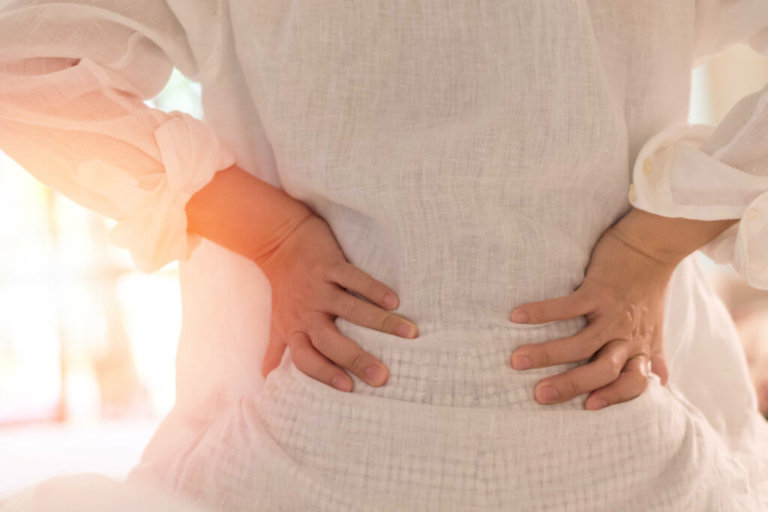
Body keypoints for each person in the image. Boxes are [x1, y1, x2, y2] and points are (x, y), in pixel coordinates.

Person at [1, 1, 768, 510]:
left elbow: (18, 60)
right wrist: (655, 240)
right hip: (627, 438)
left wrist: (272, 233)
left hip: (305, 440)